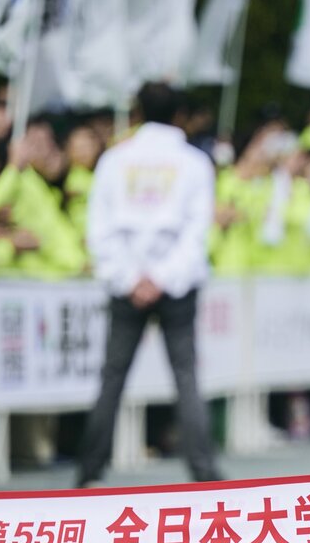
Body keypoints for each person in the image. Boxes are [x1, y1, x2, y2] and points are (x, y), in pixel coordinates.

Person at [74, 82, 220, 487]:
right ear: (180, 116)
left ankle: (89, 470)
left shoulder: (115, 160)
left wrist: (130, 277)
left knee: (112, 375)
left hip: (127, 281)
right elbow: (196, 231)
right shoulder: (194, 162)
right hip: (176, 283)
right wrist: (163, 278)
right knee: (186, 376)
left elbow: (99, 227)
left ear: (136, 113)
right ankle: (203, 472)